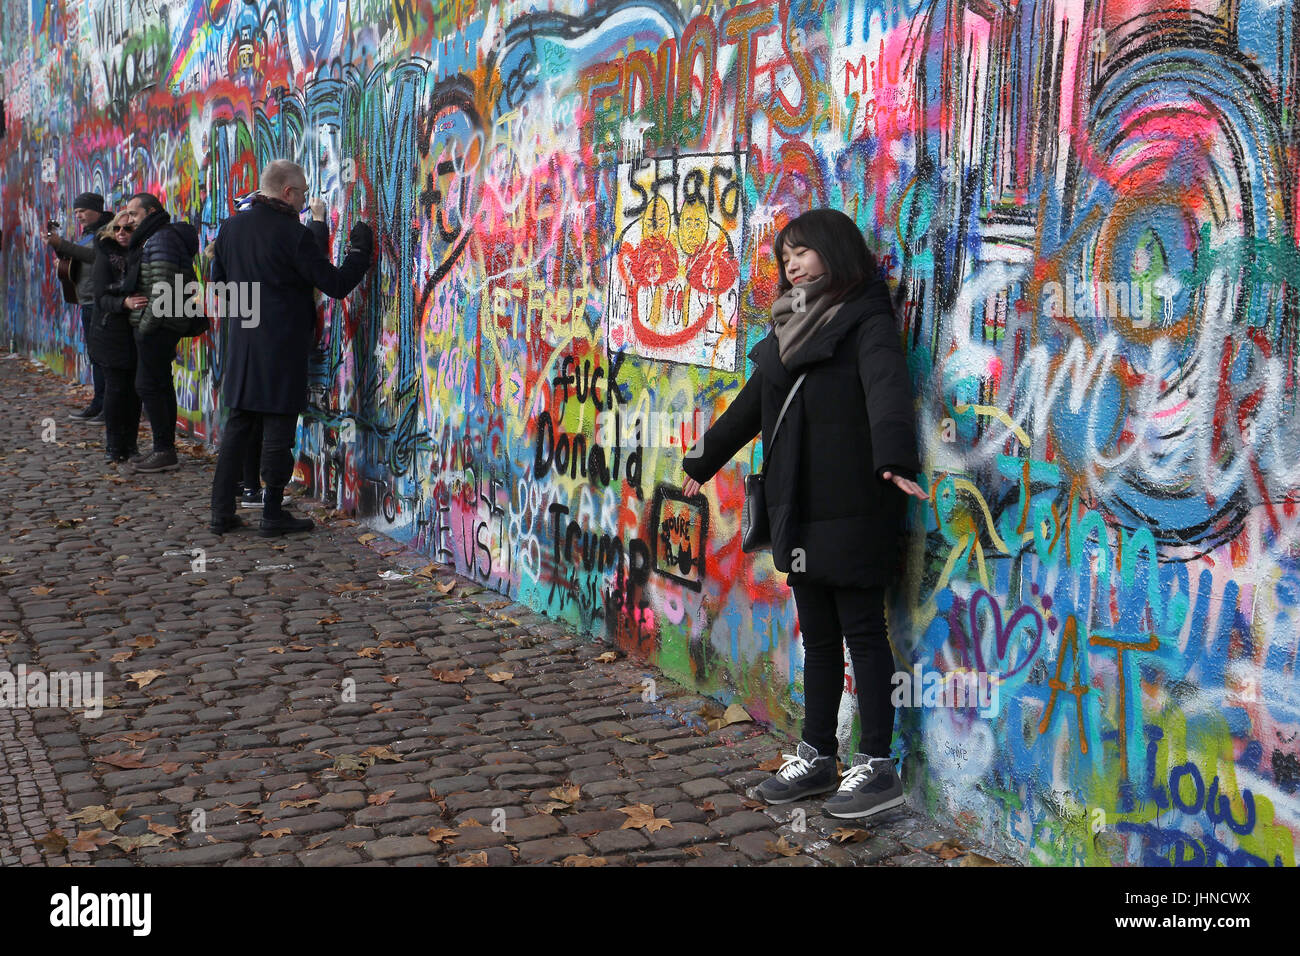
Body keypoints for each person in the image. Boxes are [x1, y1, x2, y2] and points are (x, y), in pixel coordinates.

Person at [681, 208, 930, 820]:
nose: (791, 263)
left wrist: (896, 458)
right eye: (784, 256)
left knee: (863, 633)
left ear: (835, 251)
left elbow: (887, 388)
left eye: (802, 252)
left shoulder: (866, 319)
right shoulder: (786, 330)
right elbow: (749, 407)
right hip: (798, 508)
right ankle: (818, 754)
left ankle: (876, 764)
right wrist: (702, 461)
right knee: (818, 638)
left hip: (853, 506)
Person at [208, 159, 374, 536]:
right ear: (288, 192)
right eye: (301, 191)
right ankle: (271, 513)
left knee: (239, 426)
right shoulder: (291, 233)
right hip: (281, 345)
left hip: (243, 341)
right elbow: (333, 283)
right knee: (278, 427)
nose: (304, 199)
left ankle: (220, 512)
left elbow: (218, 284)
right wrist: (359, 253)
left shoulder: (230, 228)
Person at [118, 192, 199, 473]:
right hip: (159, 323)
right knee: (158, 384)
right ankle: (163, 449)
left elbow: (163, 286)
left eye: (134, 214)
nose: (129, 220)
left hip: (160, 325)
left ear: (151, 212)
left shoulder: (161, 238)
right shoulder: (154, 236)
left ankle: (164, 449)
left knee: (149, 385)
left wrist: (145, 325)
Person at [46, 193, 114, 422]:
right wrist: (61, 252)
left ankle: (107, 407)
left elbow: (96, 256)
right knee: (96, 356)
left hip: (98, 302)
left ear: (96, 209)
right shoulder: (87, 234)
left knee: (103, 357)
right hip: (86, 300)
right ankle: (98, 404)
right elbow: (78, 257)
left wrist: (62, 244)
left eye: (83, 211)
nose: (79, 215)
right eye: (76, 212)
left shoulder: (108, 231)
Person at [90, 212, 144, 464]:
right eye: (118, 228)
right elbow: (100, 298)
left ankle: (131, 445)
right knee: (116, 388)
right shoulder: (105, 256)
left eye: (129, 229)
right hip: (110, 331)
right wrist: (124, 301)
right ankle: (114, 445)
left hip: (137, 332)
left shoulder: (142, 254)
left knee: (135, 391)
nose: (122, 233)